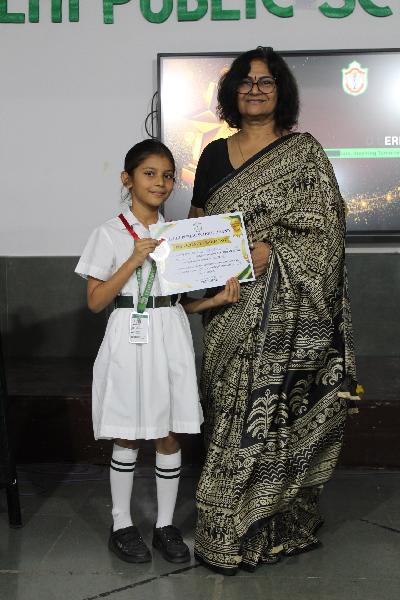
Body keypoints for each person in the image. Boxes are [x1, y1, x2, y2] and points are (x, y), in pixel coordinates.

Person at [189, 47, 358, 574]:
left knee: (276, 416)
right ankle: (224, 530)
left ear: (280, 91)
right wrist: (208, 269)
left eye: (265, 81)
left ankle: (272, 524)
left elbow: (328, 232)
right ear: (231, 92)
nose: (255, 90)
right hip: (230, 308)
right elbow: (198, 226)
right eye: (245, 81)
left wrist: (274, 252)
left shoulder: (304, 154)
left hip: (289, 318)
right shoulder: (214, 155)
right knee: (228, 414)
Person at [75, 139, 240, 565]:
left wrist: (215, 300)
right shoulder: (109, 233)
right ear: (127, 179)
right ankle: (121, 524)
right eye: (149, 173)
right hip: (129, 335)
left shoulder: (177, 237)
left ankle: (165, 526)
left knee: (170, 431)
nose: (160, 183)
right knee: (128, 432)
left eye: (167, 175)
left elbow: (179, 302)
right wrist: (132, 260)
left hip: (171, 334)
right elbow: (95, 301)